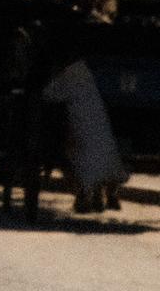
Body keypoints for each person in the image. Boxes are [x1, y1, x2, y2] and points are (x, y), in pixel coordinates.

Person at [37, 31, 127, 213]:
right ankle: (102, 192)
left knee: (72, 153)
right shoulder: (87, 73)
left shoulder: (73, 73)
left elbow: (49, 95)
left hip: (81, 132)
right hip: (99, 132)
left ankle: (86, 193)